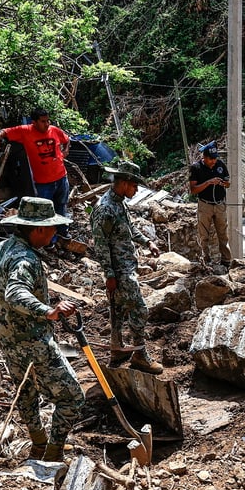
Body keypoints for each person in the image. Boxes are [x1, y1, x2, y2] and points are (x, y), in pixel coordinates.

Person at [0, 197, 84, 462]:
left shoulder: (5, 247)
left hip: (8, 339)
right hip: (33, 342)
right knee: (73, 397)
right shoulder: (26, 259)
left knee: (26, 394)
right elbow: (15, 293)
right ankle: (53, 452)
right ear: (38, 229)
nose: (55, 233)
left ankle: (38, 443)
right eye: (52, 228)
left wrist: (4, 313)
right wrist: (47, 311)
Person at [90, 160, 164, 375]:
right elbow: (100, 244)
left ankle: (118, 350)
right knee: (139, 309)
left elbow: (128, 229)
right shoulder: (105, 209)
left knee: (120, 310)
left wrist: (147, 242)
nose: (136, 190)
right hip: (119, 271)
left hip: (125, 267)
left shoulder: (119, 203)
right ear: (123, 183)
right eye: (134, 185)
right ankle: (140, 355)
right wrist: (110, 274)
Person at [0, 109, 72, 245]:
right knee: (46, 214)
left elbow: (67, 139)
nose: (47, 124)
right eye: (43, 121)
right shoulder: (25, 131)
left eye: (48, 121)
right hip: (43, 183)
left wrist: (65, 150)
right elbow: (4, 132)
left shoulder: (54, 130)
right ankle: (49, 242)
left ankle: (63, 234)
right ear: (34, 122)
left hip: (61, 177)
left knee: (61, 206)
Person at [188, 141, 232, 271]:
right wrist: (208, 182)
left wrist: (223, 183)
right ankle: (206, 260)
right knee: (204, 235)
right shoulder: (196, 168)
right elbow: (193, 189)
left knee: (223, 234)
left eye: (215, 158)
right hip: (205, 205)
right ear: (204, 158)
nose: (213, 161)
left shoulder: (220, 165)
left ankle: (226, 260)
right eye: (211, 159)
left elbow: (228, 183)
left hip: (219, 204)